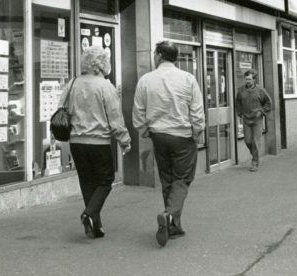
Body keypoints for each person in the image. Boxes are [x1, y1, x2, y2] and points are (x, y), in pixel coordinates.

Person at [132, 40, 205, 247]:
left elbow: (138, 111)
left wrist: (145, 130)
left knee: (167, 179)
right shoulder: (188, 79)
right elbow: (197, 110)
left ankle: (173, 225)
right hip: (182, 136)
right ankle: (169, 214)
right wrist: (197, 131)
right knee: (182, 179)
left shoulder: (146, 80)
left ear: (158, 55)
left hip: (159, 136)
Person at [61, 46, 130, 239]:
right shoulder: (105, 86)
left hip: (76, 141)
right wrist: (124, 140)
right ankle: (89, 214)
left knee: (87, 181)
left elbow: (61, 108)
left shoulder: (72, 83)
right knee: (105, 181)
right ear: (102, 64)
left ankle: (95, 226)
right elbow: (115, 117)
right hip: (98, 142)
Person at [234, 69, 272, 172]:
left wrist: (262, 112)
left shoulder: (260, 90)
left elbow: (268, 103)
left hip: (257, 119)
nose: (247, 81)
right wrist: (240, 113)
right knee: (248, 141)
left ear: (254, 79)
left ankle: (255, 163)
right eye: (246, 79)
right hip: (246, 119)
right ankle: (256, 155)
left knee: (255, 141)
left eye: (249, 79)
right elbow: (238, 103)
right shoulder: (241, 90)